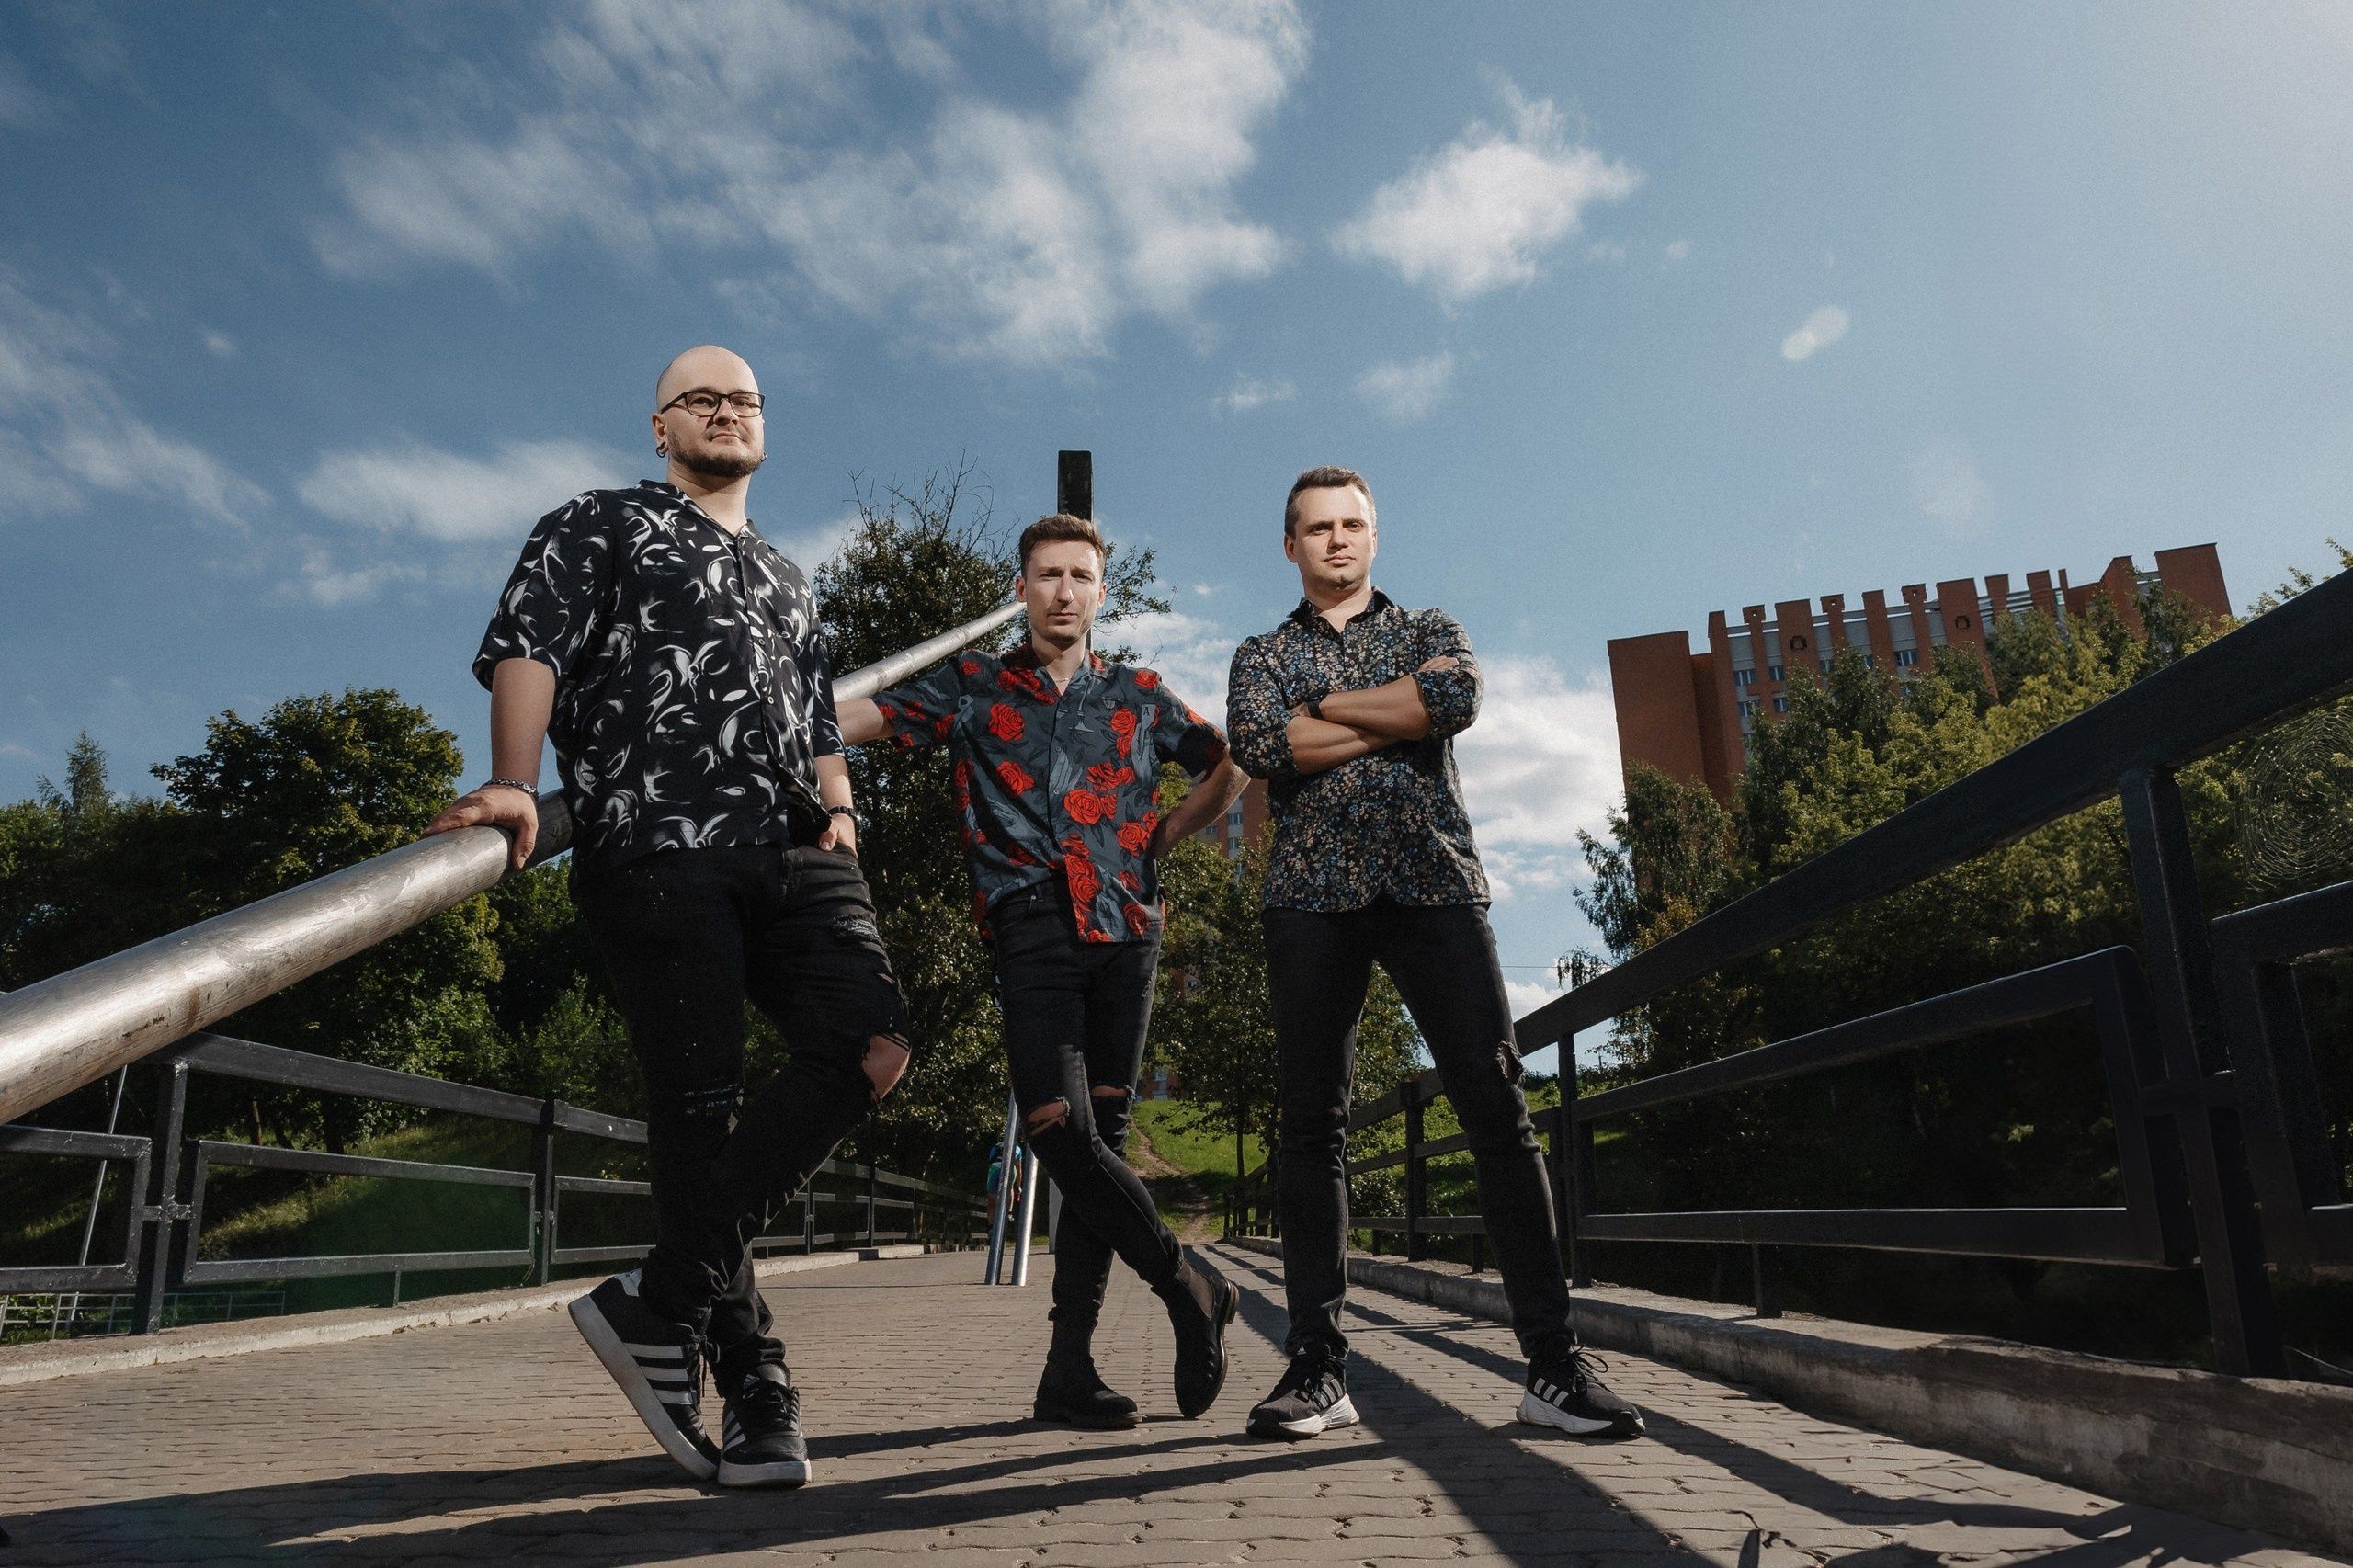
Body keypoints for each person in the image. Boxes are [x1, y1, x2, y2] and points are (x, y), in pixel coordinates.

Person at [425, 347, 911, 1489]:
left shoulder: (790, 576)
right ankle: (756, 1387)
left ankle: (660, 1300)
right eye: (702, 398)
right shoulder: (600, 522)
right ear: (660, 426)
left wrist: (842, 808)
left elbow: (817, 719)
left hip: (797, 848)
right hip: (659, 838)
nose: (726, 411)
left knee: (873, 1040)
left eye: (744, 399)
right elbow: (530, 647)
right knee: (698, 1118)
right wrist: (512, 778)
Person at [1225, 465, 1645, 1442]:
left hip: (1434, 884)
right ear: (1289, 546)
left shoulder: (1428, 628)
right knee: (1311, 1128)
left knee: (1497, 1109)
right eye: (1317, 528)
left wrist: (1325, 711)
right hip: (1309, 900)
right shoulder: (1261, 652)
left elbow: (1450, 699)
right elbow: (1260, 744)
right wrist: (1391, 713)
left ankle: (1552, 1366)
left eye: (1352, 524)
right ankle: (1317, 1368)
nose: (1337, 539)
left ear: (1374, 536)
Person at [838, 511, 1248, 1428]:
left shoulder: (1140, 695)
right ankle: (1189, 1285)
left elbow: (1230, 764)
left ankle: (1069, 1368)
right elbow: (854, 718)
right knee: (1058, 1128)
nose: (1065, 591)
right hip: (1029, 927)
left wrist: (1166, 835)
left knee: (1102, 1136)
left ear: (1101, 591)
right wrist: (773, 702)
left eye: (1081, 575)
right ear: (1021, 587)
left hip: (1127, 930)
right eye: (1048, 575)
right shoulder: (973, 687)